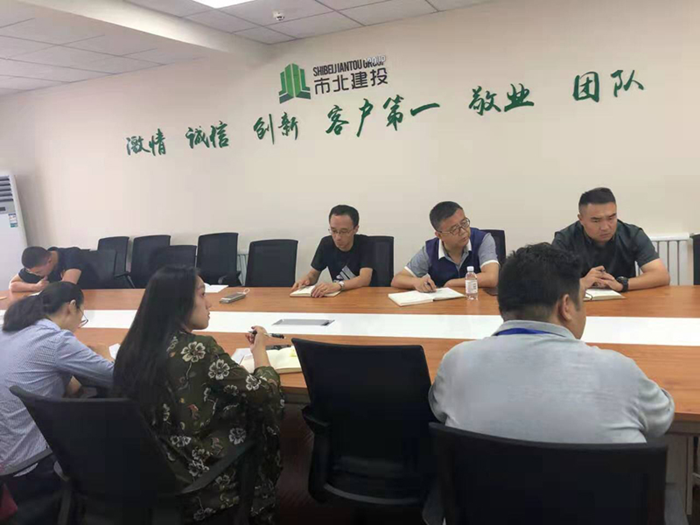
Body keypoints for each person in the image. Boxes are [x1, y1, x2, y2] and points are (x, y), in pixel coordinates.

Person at [429, 243, 674, 444]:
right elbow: (662, 417)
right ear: (566, 306)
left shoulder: (456, 362)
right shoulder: (618, 372)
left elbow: (438, 409)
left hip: (482, 491)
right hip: (592, 492)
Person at [113, 266, 284, 524]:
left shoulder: (132, 347)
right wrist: (260, 352)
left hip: (151, 470)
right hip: (196, 473)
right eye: (203, 294)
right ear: (179, 302)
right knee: (261, 410)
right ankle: (259, 503)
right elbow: (264, 392)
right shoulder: (199, 349)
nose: (209, 303)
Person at [0, 282, 114, 521]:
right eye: (82, 316)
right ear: (71, 307)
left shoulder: (9, 330)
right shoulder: (55, 340)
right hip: (29, 467)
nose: (79, 324)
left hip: (6, 460)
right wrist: (105, 354)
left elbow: (66, 386)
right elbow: (115, 376)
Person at [552, 187, 670, 292]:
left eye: (611, 218)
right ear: (581, 219)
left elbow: (661, 275)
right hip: (581, 303)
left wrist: (622, 284)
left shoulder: (632, 234)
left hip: (625, 302)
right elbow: (550, 283)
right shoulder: (565, 239)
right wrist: (582, 283)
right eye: (596, 220)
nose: (605, 227)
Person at [391, 201, 499, 292]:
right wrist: (417, 282)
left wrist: (452, 283)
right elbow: (397, 280)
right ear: (440, 235)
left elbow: (491, 278)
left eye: (464, 223)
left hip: (479, 302)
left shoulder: (482, 240)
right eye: (454, 229)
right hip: (444, 307)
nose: (463, 231)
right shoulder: (430, 250)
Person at [292, 205, 374, 298]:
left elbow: (365, 279)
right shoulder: (326, 243)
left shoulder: (365, 243)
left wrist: (339, 285)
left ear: (355, 229)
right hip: (339, 298)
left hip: (365, 297)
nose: (338, 237)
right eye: (334, 231)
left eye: (344, 231)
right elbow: (314, 274)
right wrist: (307, 279)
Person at [9, 246, 85, 293]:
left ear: (49, 261)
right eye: (32, 273)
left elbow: (67, 286)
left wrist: (48, 287)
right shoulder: (36, 264)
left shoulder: (72, 255)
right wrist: (35, 287)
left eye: (38, 272)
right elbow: (12, 285)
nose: (36, 275)